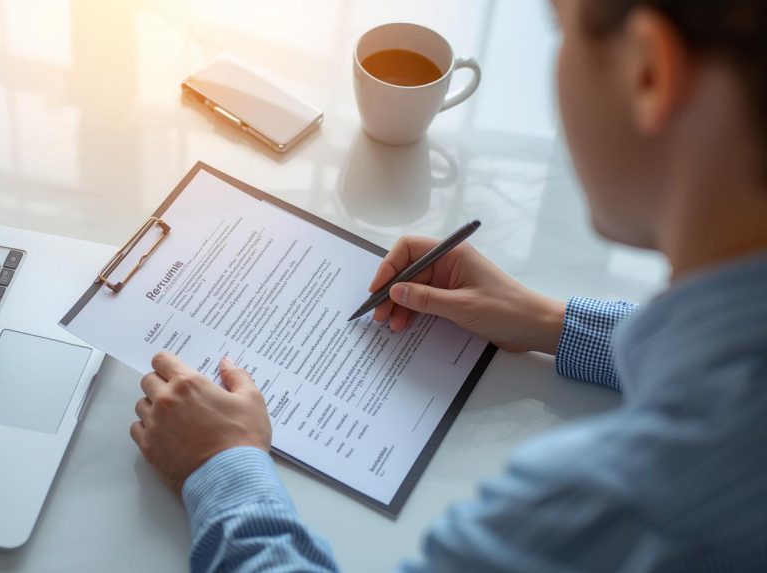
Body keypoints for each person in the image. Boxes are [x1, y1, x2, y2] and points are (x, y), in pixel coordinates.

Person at [129, 0, 767, 570]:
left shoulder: (611, 506)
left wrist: (223, 465)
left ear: (648, 72)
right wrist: (554, 321)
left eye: (558, 28)